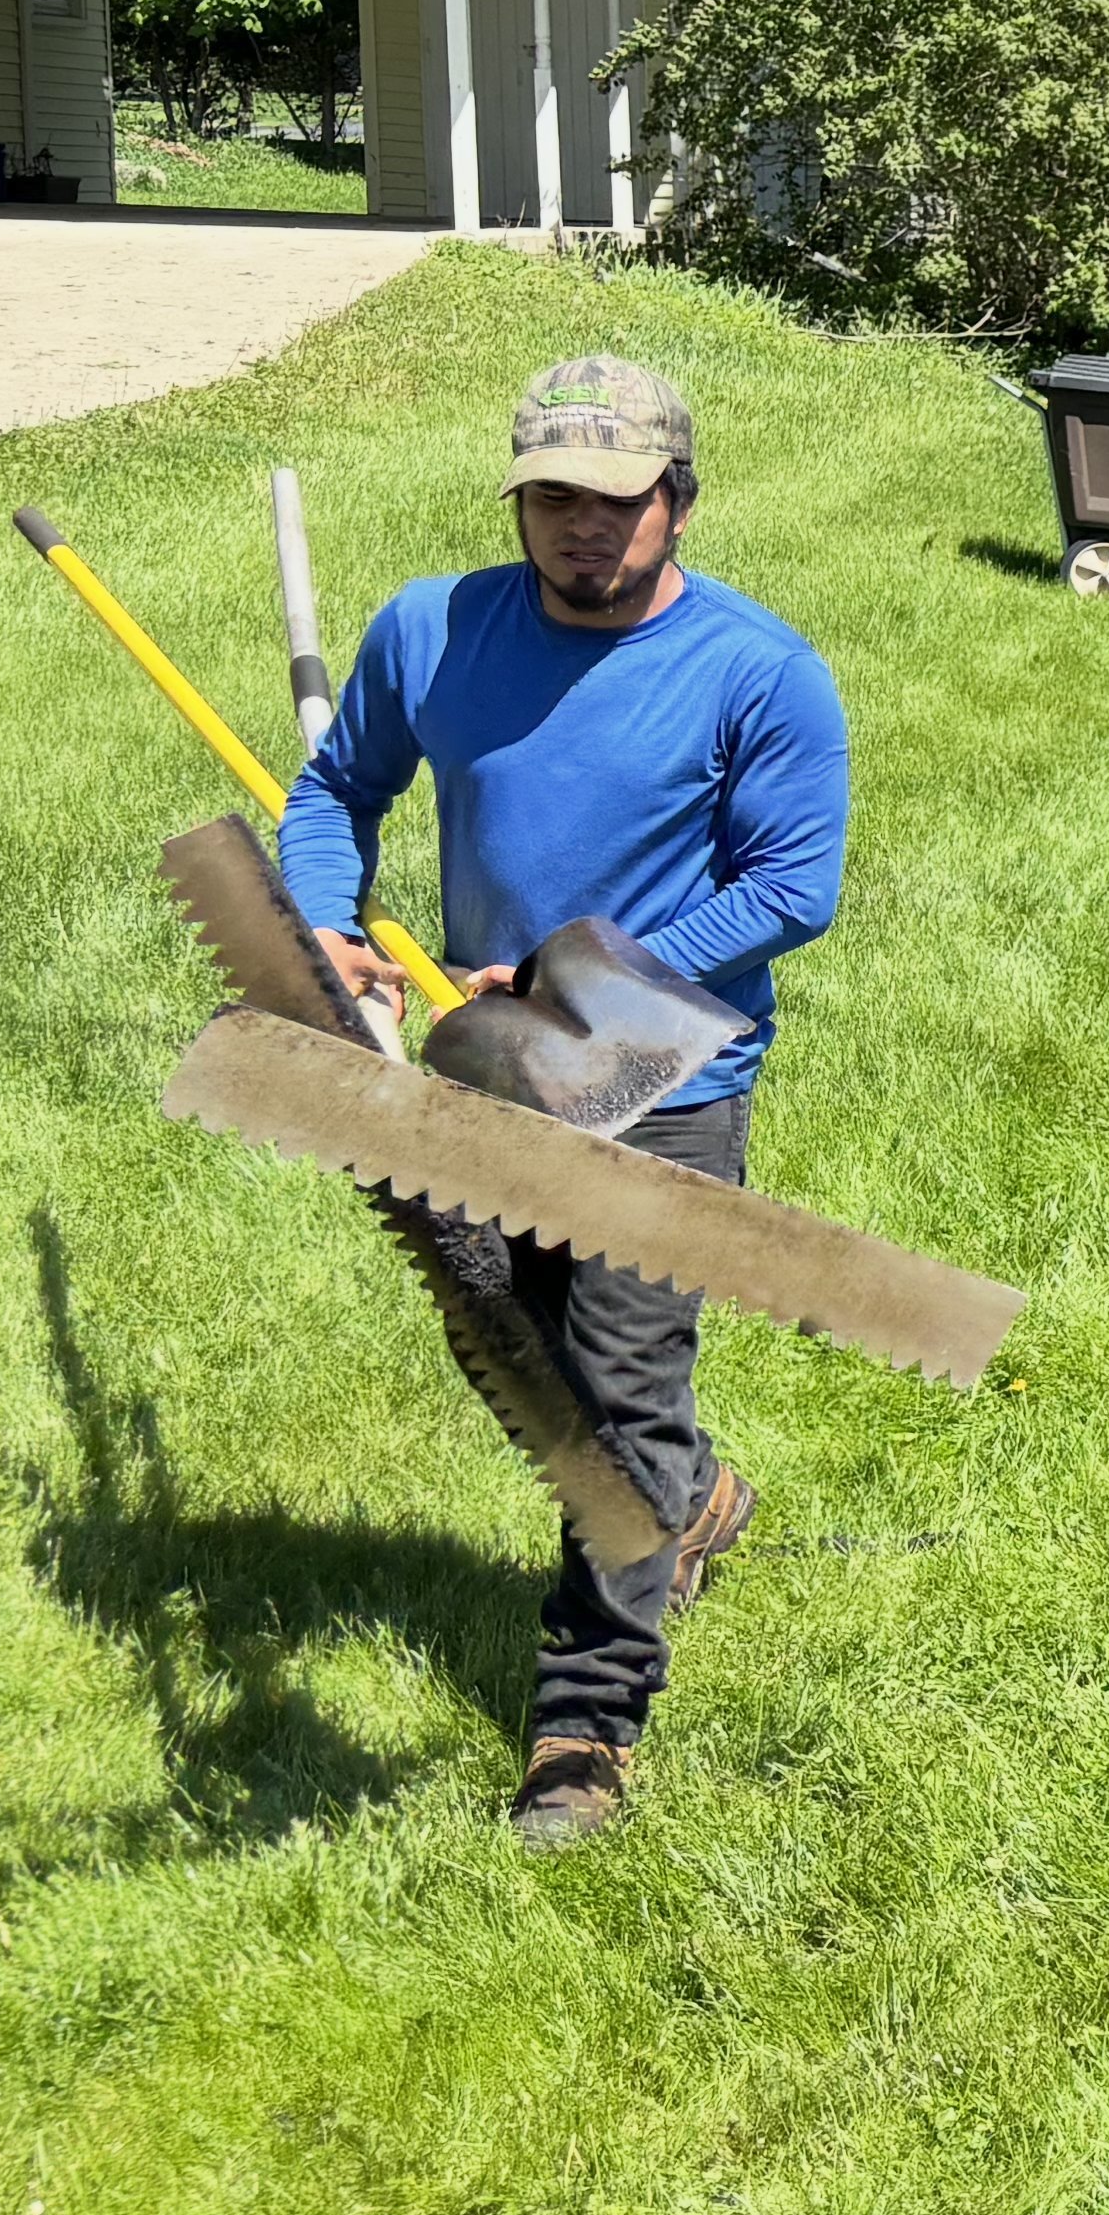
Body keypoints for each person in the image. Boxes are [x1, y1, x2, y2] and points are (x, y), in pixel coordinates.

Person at [280, 358, 853, 1850]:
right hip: (489, 1065)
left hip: (664, 1075)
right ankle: (698, 1501)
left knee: (612, 1399)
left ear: (678, 501)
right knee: (505, 1346)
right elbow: (339, 787)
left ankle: (583, 1722)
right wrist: (325, 928)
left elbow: (795, 887)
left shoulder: (759, 670)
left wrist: (563, 972)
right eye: (551, 501)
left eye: (612, 505)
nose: (579, 533)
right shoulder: (434, 627)